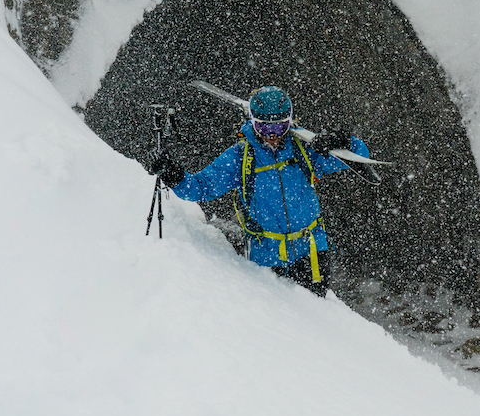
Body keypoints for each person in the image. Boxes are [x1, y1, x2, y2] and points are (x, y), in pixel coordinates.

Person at [148, 86, 368, 296]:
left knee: (314, 314)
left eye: (279, 127)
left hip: (311, 252)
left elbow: (360, 155)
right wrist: (174, 175)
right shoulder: (240, 157)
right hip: (267, 259)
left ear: (290, 121)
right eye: (264, 128)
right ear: (253, 123)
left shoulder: (305, 149)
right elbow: (199, 188)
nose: (272, 135)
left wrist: (344, 142)